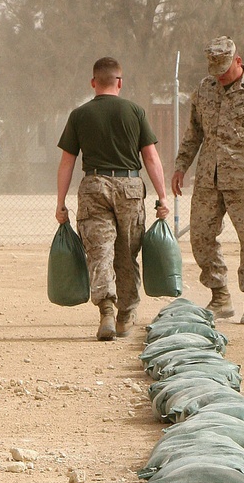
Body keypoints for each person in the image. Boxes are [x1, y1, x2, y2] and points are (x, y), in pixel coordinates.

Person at [172, 36, 244, 325]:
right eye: (216, 71)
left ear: (238, 61)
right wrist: (180, 166)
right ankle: (220, 296)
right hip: (209, 178)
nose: (220, 77)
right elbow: (193, 134)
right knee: (200, 235)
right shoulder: (204, 90)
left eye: (225, 70)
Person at [55, 56, 170, 341]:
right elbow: (151, 158)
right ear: (119, 82)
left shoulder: (79, 115)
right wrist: (163, 197)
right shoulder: (135, 111)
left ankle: (106, 308)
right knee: (126, 253)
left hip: (94, 186)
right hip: (130, 186)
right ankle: (126, 314)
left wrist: (60, 204)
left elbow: (66, 163)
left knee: (99, 251)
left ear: (94, 83)